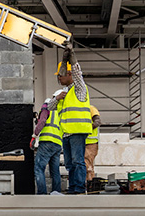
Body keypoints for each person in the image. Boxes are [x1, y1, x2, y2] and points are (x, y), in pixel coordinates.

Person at [50, 44, 93, 194]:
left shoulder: (79, 89)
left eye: (60, 75)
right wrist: (57, 98)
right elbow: (50, 107)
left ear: (69, 74)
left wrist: (70, 55)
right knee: (70, 164)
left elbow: (77, 73)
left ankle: (79, 188)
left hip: (77, 132)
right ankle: (74, 187)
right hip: (67, 134)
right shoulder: (64, 93)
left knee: (77, 161)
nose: (58, 78)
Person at [32, 95, 62, 195]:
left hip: (47, 141)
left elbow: (42, 122)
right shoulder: (61, 111)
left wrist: (34, 135)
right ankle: (56, 193)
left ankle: (42, 194)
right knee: (55, 171)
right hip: (58, 143)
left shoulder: (47, 106)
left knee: (39, 168)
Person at [85, 105, 102, 183]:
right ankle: (88, 184)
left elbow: (97, 122)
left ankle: (89, 183)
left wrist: (86, 129)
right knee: (86, 164)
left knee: (87, 165)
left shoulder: (91, 108)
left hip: (91, 141)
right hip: (81, 141)